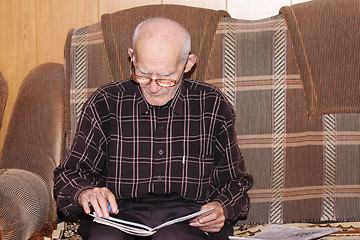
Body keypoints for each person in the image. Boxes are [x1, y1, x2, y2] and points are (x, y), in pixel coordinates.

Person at [54, 17, 253, 240]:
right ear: (132, 57)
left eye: (166, 76)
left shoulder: (212, 104)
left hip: (187, 220)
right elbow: (70, 174)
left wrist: (222, 208)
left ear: (188, 63)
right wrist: (84, 193)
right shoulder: (105, 102)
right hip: (118, 216)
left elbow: (235, 182)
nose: (154, 87)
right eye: (144, 73)